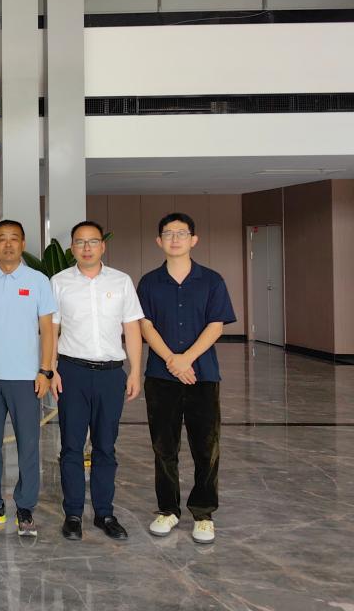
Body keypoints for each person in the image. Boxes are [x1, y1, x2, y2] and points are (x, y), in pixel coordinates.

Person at [137, 212, 236, 545]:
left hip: (202, 376)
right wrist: (172, 360)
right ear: (159, 241)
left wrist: (186, 359)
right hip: (160, 377)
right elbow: (145, 326)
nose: (175, 239)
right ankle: (168, 510)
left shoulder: (212, 281)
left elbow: (216, 325)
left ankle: (203, 513)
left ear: (194, 240)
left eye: (181, 233)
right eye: (168, 233)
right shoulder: (149, 282)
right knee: (164, 447)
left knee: (206, 448)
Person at [50, 221, 143, 541]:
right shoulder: (59, 282)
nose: (87, 248)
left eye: (92, 242)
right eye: (80, 242)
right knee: (71, 446)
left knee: (105, 446)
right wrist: (51, 369)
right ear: (72, 248)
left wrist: (135, 370)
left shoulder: (121, 281)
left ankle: (105, 513)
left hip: (110, 375)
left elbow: (132, 327)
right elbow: (51, 330)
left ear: (103, 246)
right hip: (72, 373)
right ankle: (73, 514)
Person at [0, 219, 56, 536]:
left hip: (26, 378)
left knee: (28, 446)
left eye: (14, 238)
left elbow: (48, 330)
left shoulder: (38, 281)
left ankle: (25, 508)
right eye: (1, 238)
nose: (8, 244)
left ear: (23, 244)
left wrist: (45, 370)